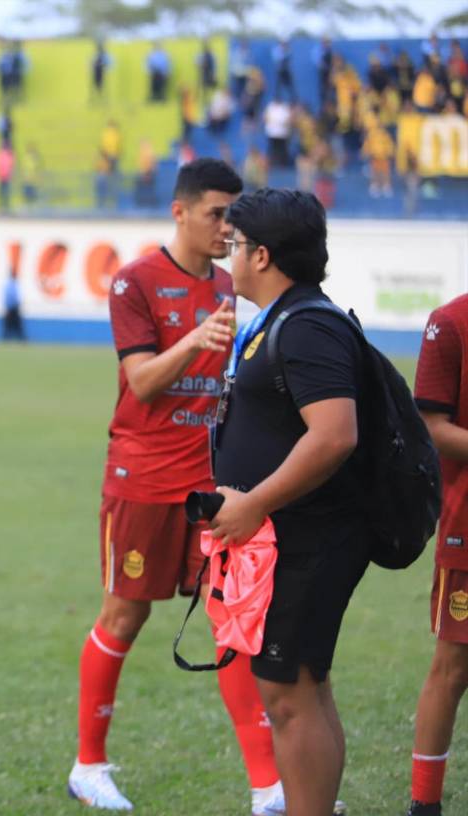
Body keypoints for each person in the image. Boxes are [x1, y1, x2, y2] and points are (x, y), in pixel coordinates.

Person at [68, 159, 287, 816]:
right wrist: (195, 341)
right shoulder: (135, 282)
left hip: (213, 488)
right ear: (181, 212)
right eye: (218, 214)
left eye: (233, 216)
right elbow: (140, 382)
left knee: (233, 623)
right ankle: (89, 765)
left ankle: (268, 788)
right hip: (142, 480)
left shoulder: (232, 286)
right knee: (125, 614)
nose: (227, 227)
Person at [213, 189, 368, 816]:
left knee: (289, 695)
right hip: (293, 536)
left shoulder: (306, 325)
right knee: (304, 688)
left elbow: (336, 433)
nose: (229, 256)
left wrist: (253, 504)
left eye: (236, 245)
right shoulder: (284, 318)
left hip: (307, 537)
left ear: (265, 254)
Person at [406, 292, 468, 816]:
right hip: (466, 526)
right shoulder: (450, 323)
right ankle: (424, 805)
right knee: (453, 665)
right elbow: (430, 428)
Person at [2, 271, 24, 341]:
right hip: (12, 307)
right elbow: (13, 297)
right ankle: (6, 339)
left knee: (16, 326)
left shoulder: (12, 284)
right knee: (9, 325)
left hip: (13, 308)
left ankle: (20, 339)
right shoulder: (11, 284)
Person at [0, 141, 14, 213]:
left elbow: (10, 165)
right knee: (3, 191)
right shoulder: (4, 154)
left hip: (5, 175)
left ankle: (4, 206)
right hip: (3, 175)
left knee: (5, 191)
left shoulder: (6, 154)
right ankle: (3, 206)